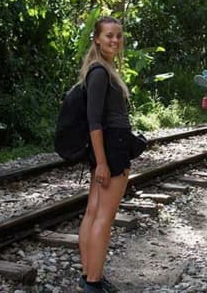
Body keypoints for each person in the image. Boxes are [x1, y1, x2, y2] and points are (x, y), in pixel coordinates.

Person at [77, 16, 131, 293]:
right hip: (110, 148)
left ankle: (90, 273)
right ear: (97, 39)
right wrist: (102, 163)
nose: (115, 40)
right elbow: (94, 121)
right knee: (102, 217)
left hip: (108, 146)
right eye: (109, 35)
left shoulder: (101, 69)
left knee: (93, 213)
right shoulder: (100, 73)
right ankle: (93, 284)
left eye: (118, 36)